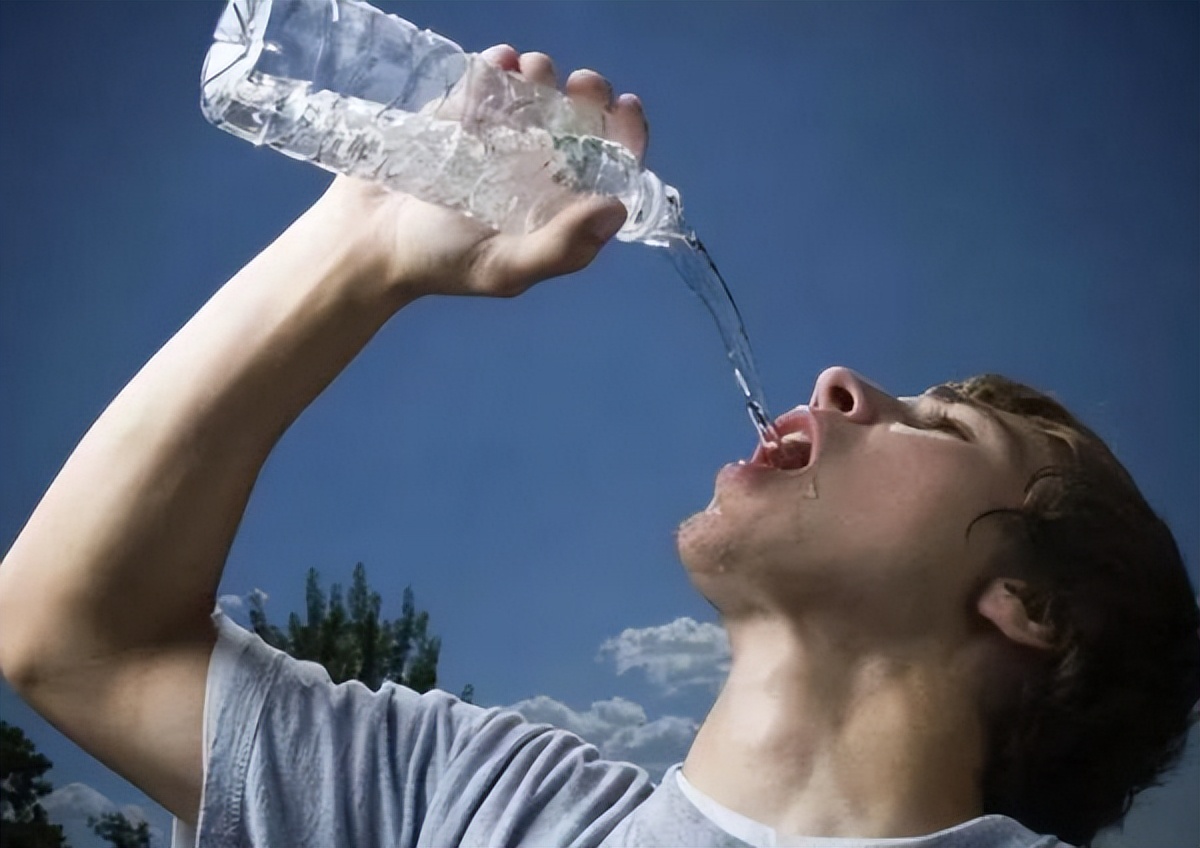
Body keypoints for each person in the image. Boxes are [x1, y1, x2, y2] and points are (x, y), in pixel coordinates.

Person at [0, 46, 1196, 848]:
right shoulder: (474, 803)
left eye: (941, 424)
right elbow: (68, 635)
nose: (841, 381)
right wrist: (359, 246)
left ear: (1030, 603)